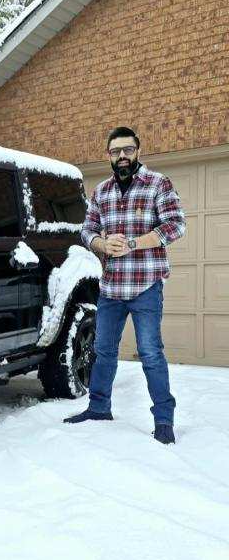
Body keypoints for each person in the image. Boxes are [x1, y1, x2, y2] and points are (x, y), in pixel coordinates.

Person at [64, 127, 186, 444]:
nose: (121, 156)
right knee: (103, 351)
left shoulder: (158, 183)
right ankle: (98, 408)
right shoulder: (102, 191)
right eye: (115, 151)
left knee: (150, 353)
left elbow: (176, 225)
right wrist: (102, 245)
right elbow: (87, 230)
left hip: (146, 285)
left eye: (127, 150)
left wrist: (134, 243)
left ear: (137, 152)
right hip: (111, 288)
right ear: (109, 154)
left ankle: (164, 421)